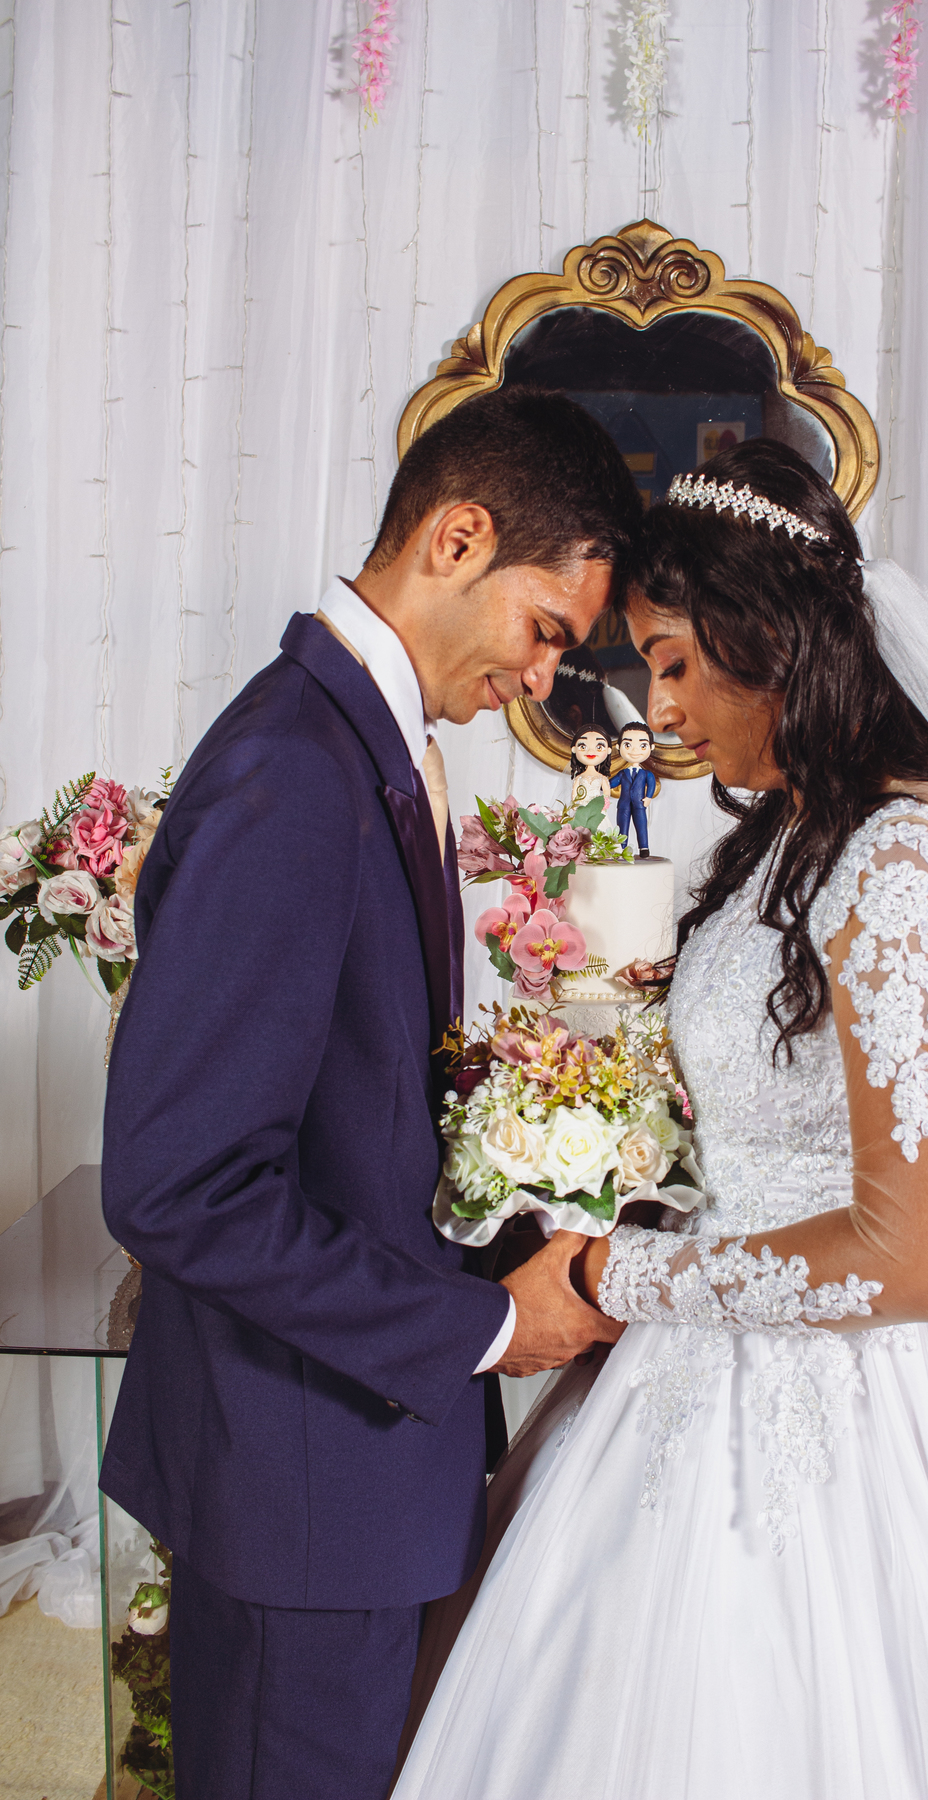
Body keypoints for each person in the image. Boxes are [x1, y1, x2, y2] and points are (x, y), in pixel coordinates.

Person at [393, 440, 928, 1799]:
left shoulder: (915, 863)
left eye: (672, 661)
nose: (658, 704)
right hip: (709, 1368)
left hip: (876, 1420)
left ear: (767, 636)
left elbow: (917, 1258)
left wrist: (612, 1273)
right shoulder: (797, 838)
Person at [99, 388, 640, 1800]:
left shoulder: (363, 747)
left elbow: (349, 1122)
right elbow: (180, 1183)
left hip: (334, 1471)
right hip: (300, 1486)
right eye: (548, 634)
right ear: (460, 538)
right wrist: (478, 1323)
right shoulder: (294, 769)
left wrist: (504, 1242)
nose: (542, 679)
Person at [610, 720, 660, 856]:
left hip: (640, 804)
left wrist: (649, 797)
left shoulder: (646, 774)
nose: (635, 750)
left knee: (641, 826)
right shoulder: (622, 773)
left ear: (651, 747)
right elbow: (612, 783)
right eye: (628, 745)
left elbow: (651, 784)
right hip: (624, 805)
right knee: (622, 827)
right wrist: (601, 784)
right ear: (619, 746)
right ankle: (621, 847)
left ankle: (644, 847)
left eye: (642, 745)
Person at [567, 724, 613, 810]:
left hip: (597, 809)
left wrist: (603, 805)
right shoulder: (579, 777)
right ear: (574, 749)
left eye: (599, 747)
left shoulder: (602, 777)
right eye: (583, 747)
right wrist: (574, 805)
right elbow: (574, 794)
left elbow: (606, 793)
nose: (591, 751)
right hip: (582, 808)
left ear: (608, 750)